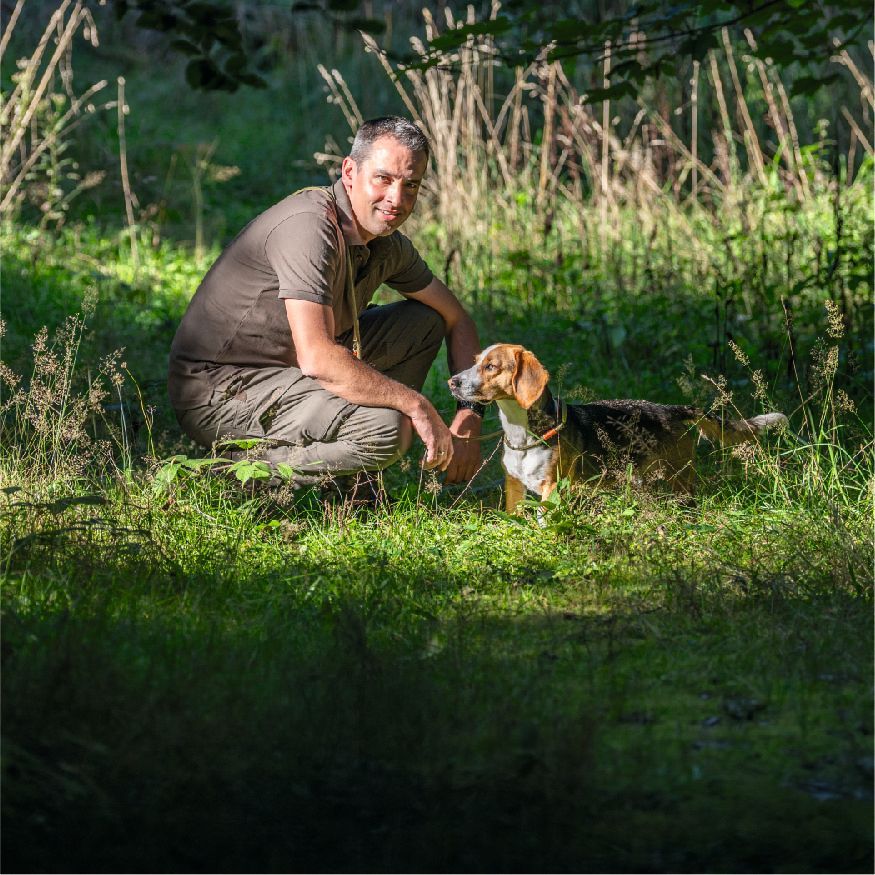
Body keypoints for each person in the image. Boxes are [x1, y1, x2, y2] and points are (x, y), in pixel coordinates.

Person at [168, 116, 483, 491]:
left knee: (425, 320)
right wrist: (415, 405)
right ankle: (242, 475)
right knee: (389, 431)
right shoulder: (310, 227)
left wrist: (470, 414)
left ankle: (358, 481)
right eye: (383, 179)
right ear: (349, 171)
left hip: (290, 375)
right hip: (221, 391)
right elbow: (317, 358)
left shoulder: (385, 241)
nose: (397, 200)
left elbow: (455, 317)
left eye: (410, 185)